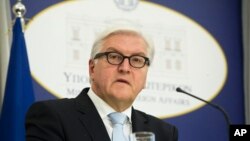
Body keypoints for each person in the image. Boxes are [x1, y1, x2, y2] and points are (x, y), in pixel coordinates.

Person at [25, 27, 178, 141]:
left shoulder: (164, 133)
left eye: (137, 60)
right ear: (92, 68)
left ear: (146, 76)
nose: (125, 68)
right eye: (114, 56)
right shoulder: (53, 116)